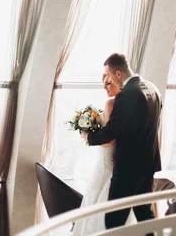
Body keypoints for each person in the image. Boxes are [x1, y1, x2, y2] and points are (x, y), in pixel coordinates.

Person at [82, 53, 162, 230]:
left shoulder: (127, 95)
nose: (108, 80)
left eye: (109, 76)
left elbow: (110, 133)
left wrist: (89, 137)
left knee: (114, 221)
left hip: (128, 169)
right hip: (148, 165)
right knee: (144, 214)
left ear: (118, 74)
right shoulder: (153, 89)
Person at [71, 74, 120, 235]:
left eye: (109, 83)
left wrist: (87, 136)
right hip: (109, 161)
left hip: (106, 162)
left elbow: (110, 140)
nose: (105, 87)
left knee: (97, 207)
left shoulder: (111, 103)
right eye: (103, 83)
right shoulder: (126, 105)